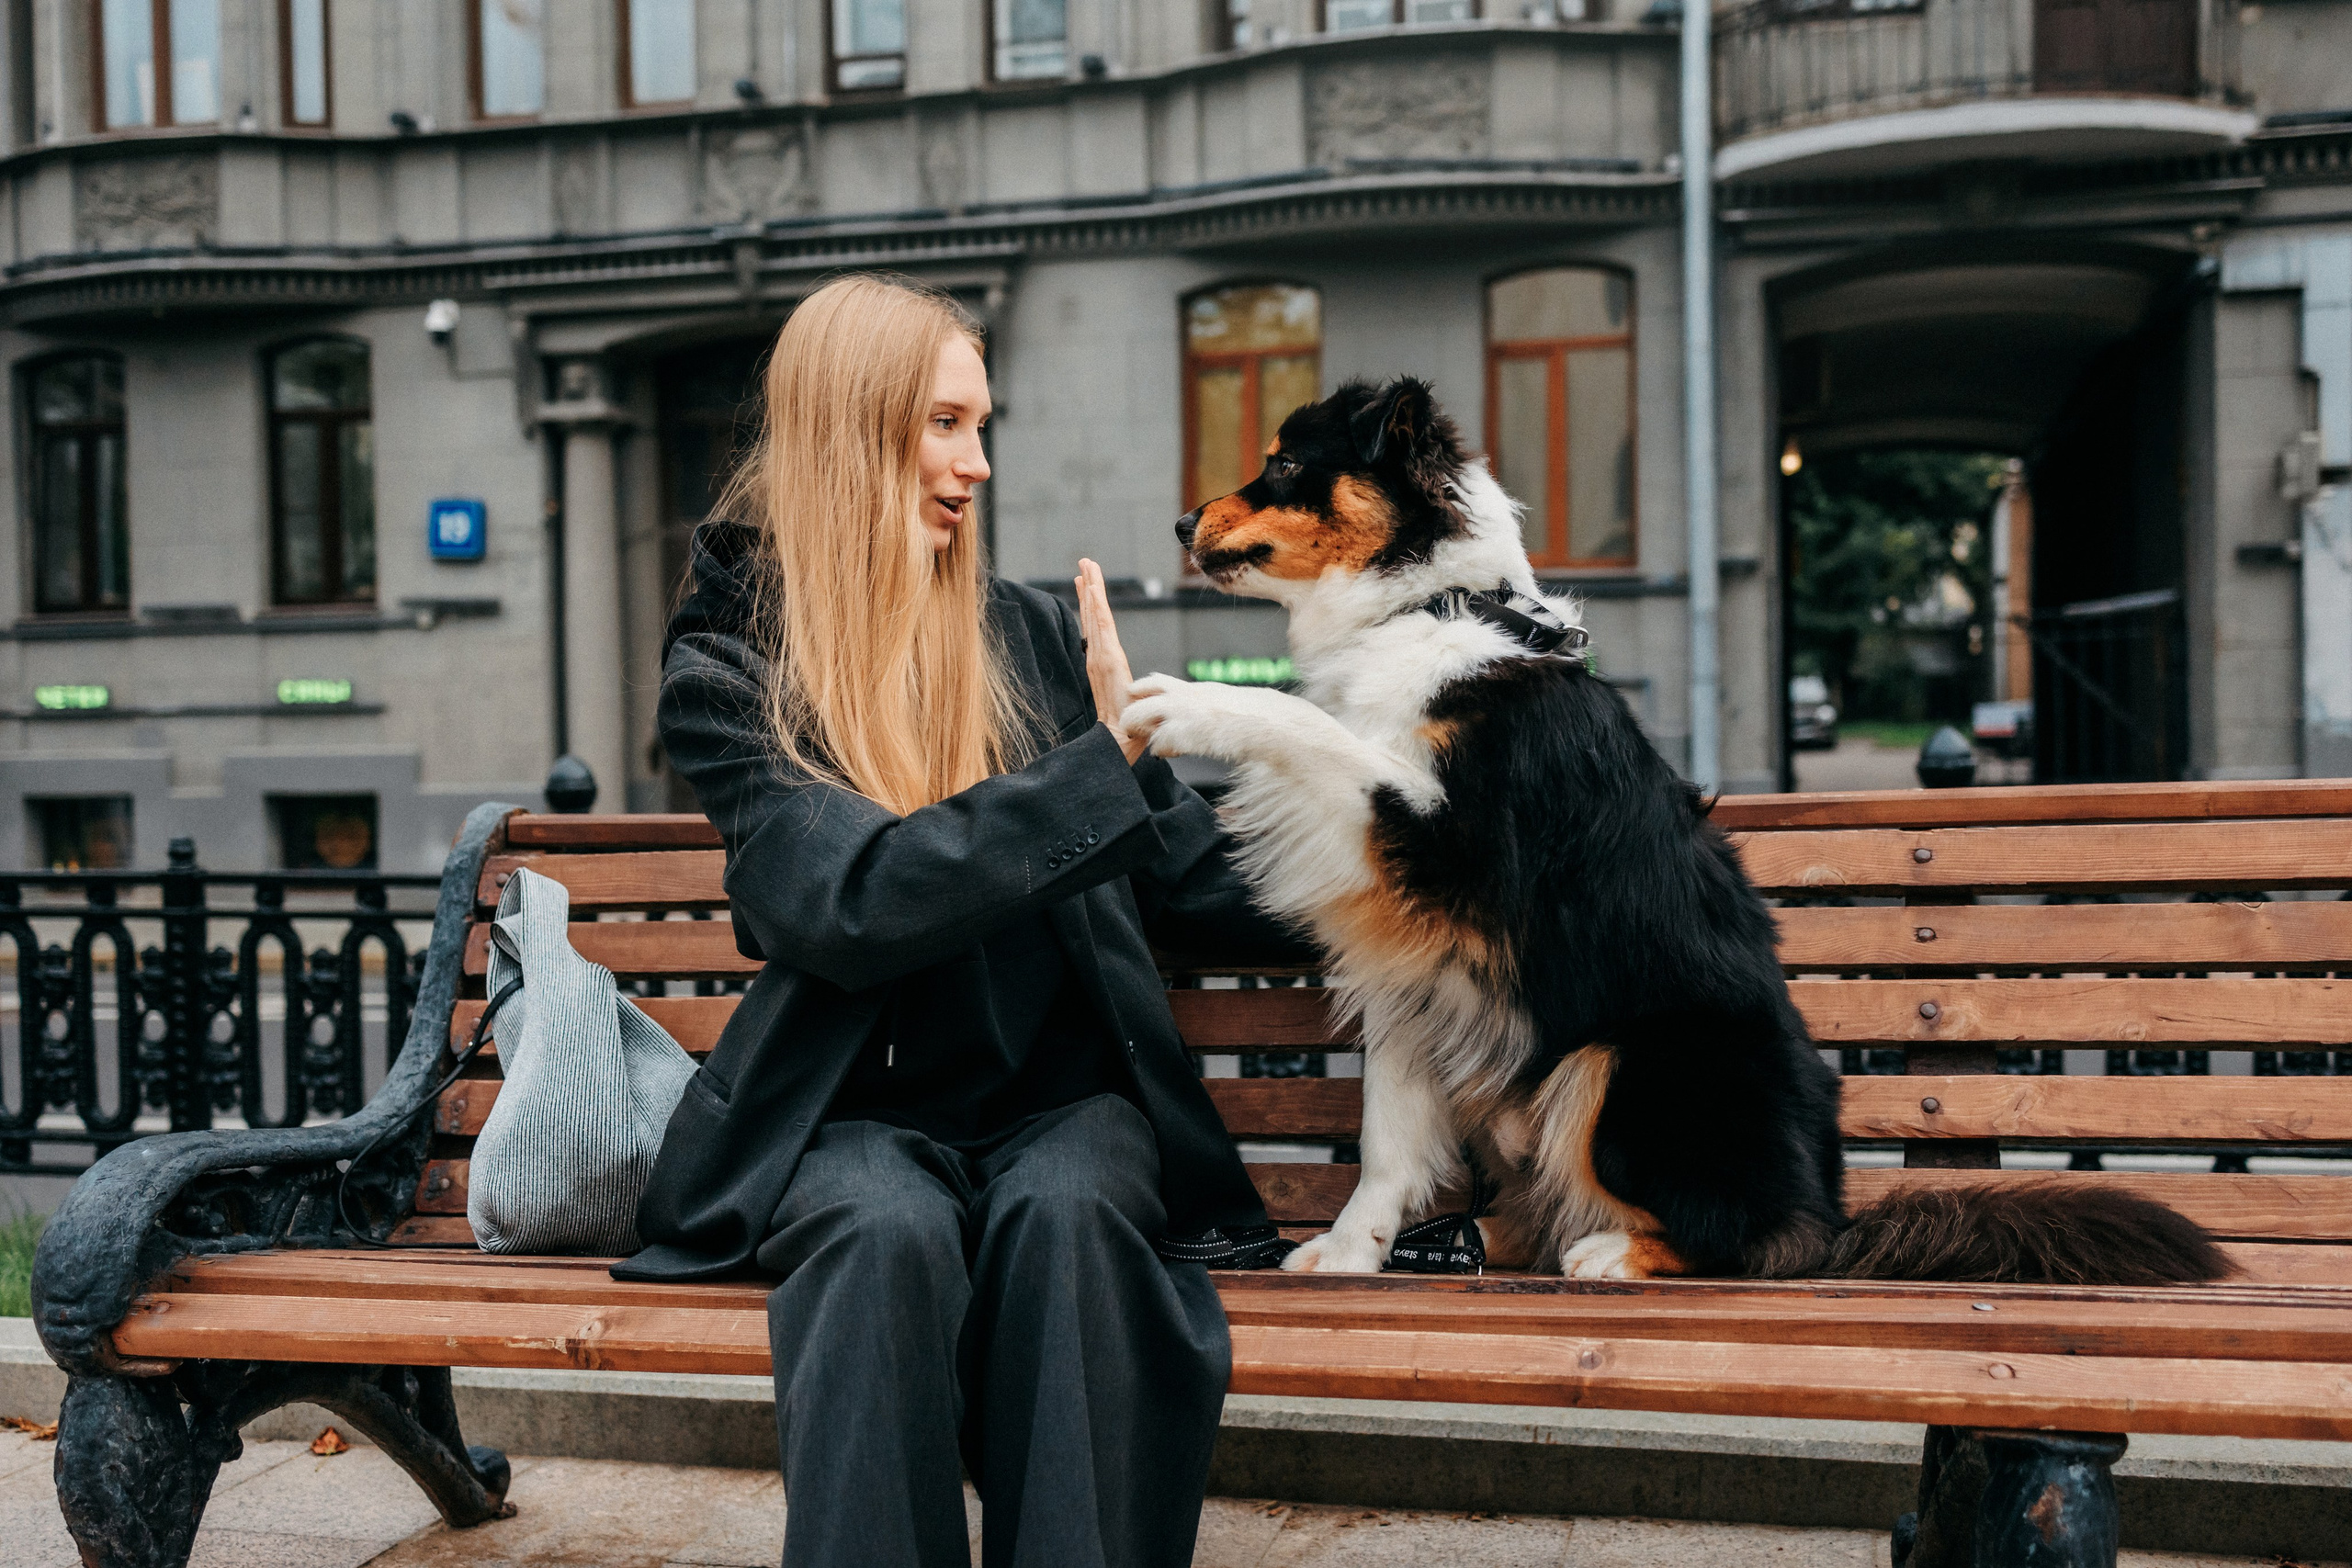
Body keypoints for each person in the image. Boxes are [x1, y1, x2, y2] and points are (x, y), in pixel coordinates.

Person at [613, 273, 1312, 1568]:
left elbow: (1193, 878)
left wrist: (1432, 852)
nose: (976, 463)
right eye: (943, 425)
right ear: (848, 428)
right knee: (879, 1233)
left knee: (1071, 1220)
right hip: (851, 1116)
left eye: (983, 427)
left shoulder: (1032, 636)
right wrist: (1099, 765)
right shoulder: (730, 669)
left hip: (1066, 1108)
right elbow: (848, 900)